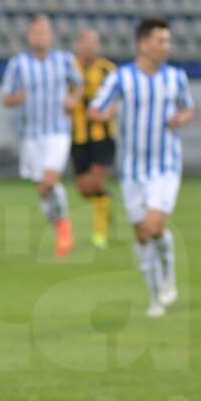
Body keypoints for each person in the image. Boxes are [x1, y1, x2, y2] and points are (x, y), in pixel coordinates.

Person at [88, 16, 194, 318]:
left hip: (166, 165)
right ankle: (154, 297)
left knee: (154, 225)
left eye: (167, 41)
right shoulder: (121, 78)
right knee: (142, 235)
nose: (166, 46)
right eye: (161, 41)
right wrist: (105, 114)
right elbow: (94, 109)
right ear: (143, 44)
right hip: (132, 169)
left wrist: (181, 119)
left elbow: (187, 108)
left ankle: (168, 273)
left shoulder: (175, 77)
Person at [1, 15, 82, 257]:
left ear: (51, 36)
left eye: (45, 32)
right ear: (29, 37)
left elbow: (79, 84)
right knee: (43, 190)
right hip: (31, 134)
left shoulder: (64, 60)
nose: (41, 37)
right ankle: (60, 229)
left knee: (49, 180)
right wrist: (17, 98)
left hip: (58, 131)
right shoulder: (18, 64)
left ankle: (65, 231)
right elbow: (6, 96)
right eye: (36, 33)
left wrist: (72, 99)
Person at [70, 28, 118, 250]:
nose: (89, 46)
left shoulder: (108, 70)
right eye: (85, 41)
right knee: (84, 188)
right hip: (77, 135)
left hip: (103, 134)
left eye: (94, 42)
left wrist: (110, 111)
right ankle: (105, 202)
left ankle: (100, 234)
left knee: (97, 181)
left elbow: (120, 97)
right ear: (78, 44)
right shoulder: (68, 68)